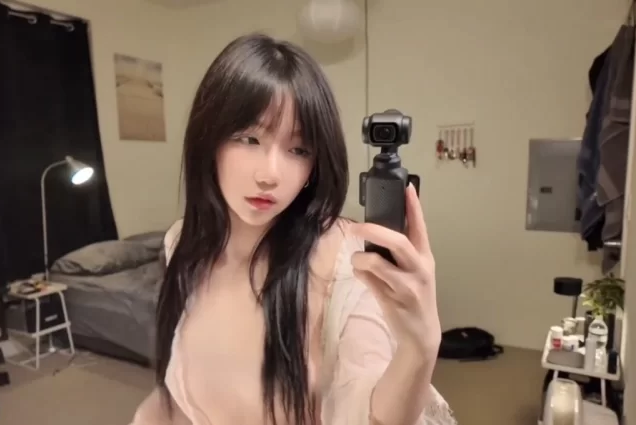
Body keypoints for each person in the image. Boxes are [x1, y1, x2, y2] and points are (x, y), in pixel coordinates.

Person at [131, 33, 455, 425]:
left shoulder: (345, 263)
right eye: (249, 138)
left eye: (298, 149)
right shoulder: (181, 242)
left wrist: (420, 347)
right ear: (207, 139)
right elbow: (180, 393)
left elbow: (369, 409)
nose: (270, 174)